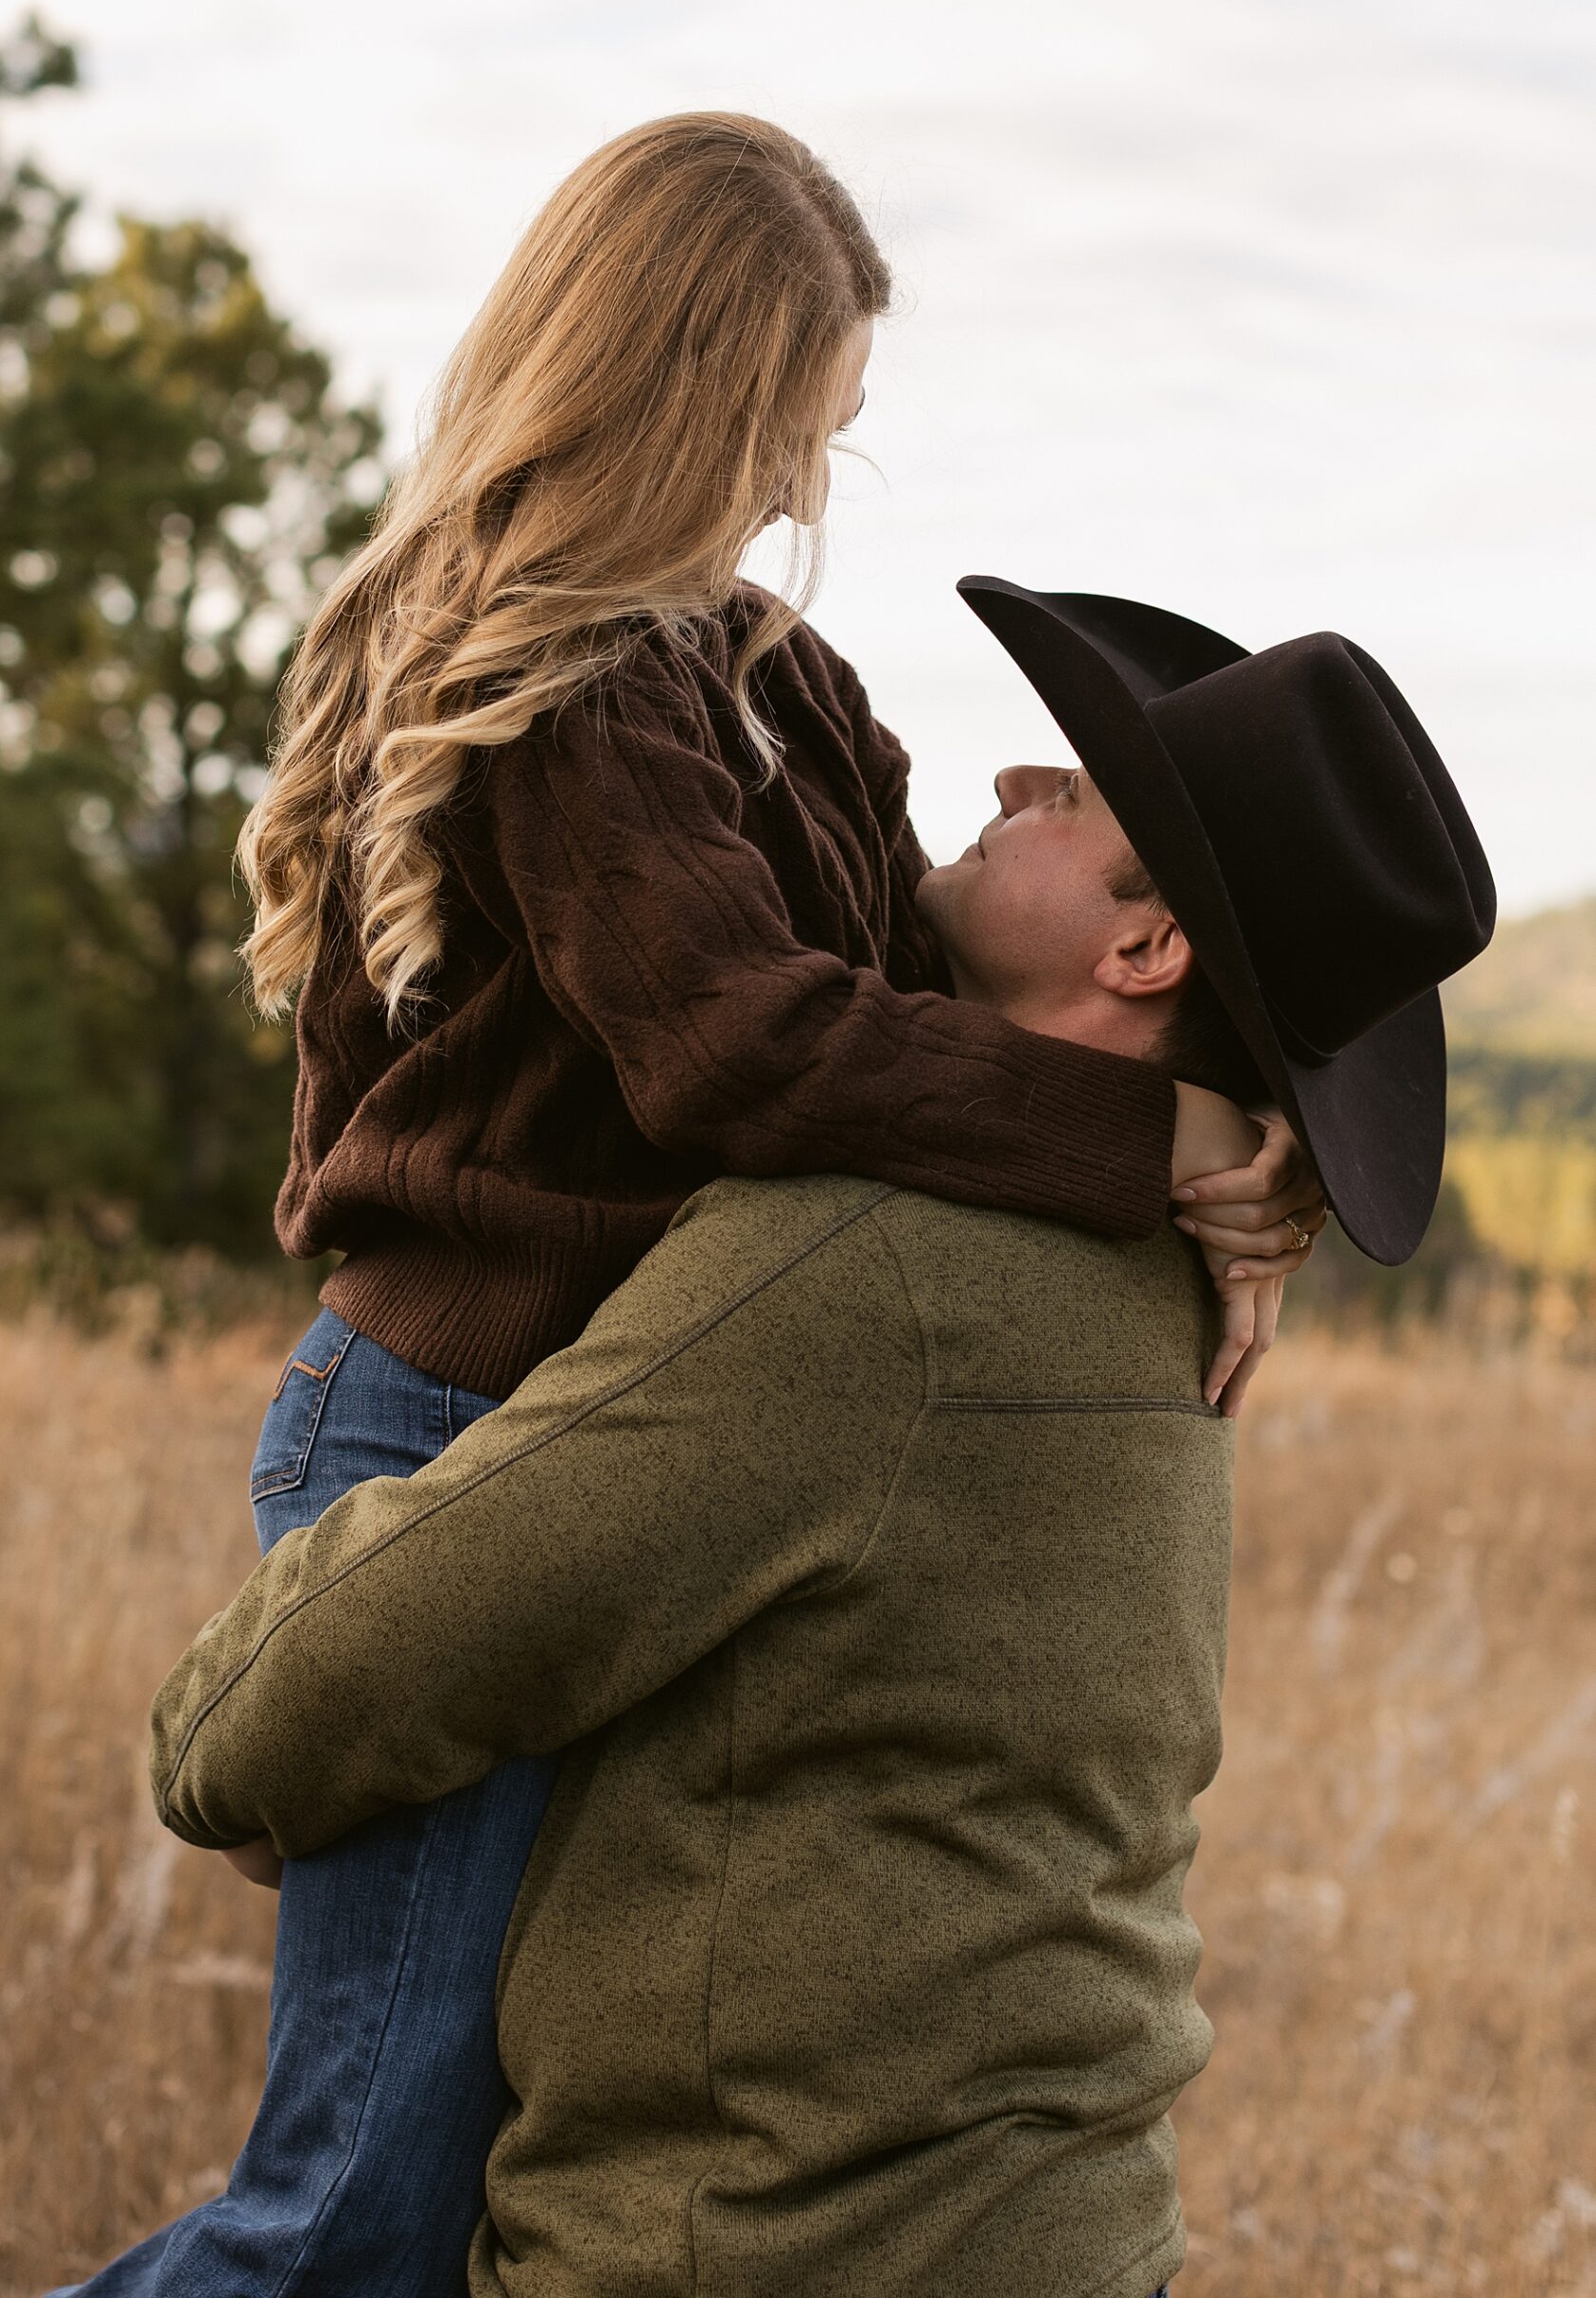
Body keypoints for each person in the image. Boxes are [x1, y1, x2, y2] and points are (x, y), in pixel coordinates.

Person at [49, 116, 1319, 2298]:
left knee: (468, 2178)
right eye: (784, 430)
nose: (798, 488)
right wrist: (1148, 1149)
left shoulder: (776, 686)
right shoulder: (551, 668)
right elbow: (739, 1046)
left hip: (644, 1434)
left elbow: (917, 1007)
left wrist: (1233, 1140)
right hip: (447, 1423)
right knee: (359, 2206)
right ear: (680, 386)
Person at [141, 585, 1494, 2296]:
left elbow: (368, 1654)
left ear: (1143, 951)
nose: (1012, 775)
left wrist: (221, 1750)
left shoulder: (883, 1269)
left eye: (1073, 793)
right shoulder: (1170, 1270)